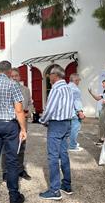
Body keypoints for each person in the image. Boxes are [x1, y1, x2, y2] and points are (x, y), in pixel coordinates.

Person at [0, 60, 27, 203]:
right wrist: (23, 128)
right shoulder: (13, 84)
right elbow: (19, 110)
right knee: (12, 160)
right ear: (9, 72)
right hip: (9, 125)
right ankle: (13, 195)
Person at [38, 66, 74, 200]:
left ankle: (54, 190)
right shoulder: (68, 88)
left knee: (53, 157)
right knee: (64, 154)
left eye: (50, 74)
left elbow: (49, 109)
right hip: (67, 123)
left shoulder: (56, 89)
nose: (49, 77)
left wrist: (42, 120)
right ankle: (67, 185)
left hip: (57, 124)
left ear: (55, 75)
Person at [1, 68, 33, 181]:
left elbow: (30, 104)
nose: (14, 78)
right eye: (12, 76)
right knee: (6, 148)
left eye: (16, 76)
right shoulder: (5, 90)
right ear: (10, 77)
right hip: (10, 123)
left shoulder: (26, 90)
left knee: (22, 147)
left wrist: (28, 112)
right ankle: (5, 171)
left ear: (20, 77)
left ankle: (20, 170)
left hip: (23, 122)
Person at [68, 73, 85, 151]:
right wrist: (80, 112)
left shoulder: (66, 87)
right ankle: (72, 145)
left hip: (67, 112)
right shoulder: (75, 89)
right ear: (76, 80)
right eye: (79, 80)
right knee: (75, 128)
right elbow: (76, 101)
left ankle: (72, 143)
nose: (79, 82)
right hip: (73, 112)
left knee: (69, 129)